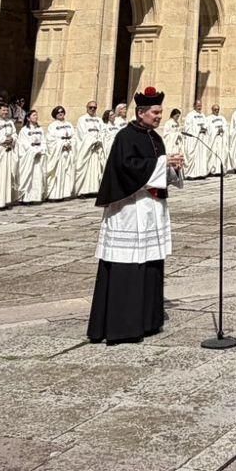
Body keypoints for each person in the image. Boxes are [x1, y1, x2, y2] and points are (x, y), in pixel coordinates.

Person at [86, 88, 184, 345]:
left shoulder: (155, 137)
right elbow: (126, 167)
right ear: (141, 113)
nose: (159, 117)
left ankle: (148, 320)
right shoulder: (125, 137)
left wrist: (172, 167)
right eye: (155, 112)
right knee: (128, 263)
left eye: (160, 112)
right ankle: (123, 326)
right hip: (129, 210)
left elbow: (157, 167)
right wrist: (163, 165)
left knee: (150, 260)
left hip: (151, 209)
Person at [14, 110, 48, 204]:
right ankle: (25, 197)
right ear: (28, 118)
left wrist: (41, 149)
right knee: (28, 175)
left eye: (36, 115)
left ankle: (35, 197)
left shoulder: (40, 129)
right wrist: (33, 151)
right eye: (33, 115)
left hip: (38, 155)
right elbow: (23, 144)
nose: (36, 117)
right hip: (29, 156)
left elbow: (44, 141)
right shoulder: (24, 130)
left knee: (37, 175)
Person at [76, 103, 108, 192]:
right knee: (86, 169)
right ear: (87, 108)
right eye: (91, 107)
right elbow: (82, 133)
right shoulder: (82, 119)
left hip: (97, 148)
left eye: (94, 107)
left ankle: (94, 190)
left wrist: (99, 140)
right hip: (87, 148)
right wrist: (92, 141)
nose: (93, 109)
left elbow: (103, 131)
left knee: (95, 169)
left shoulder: (99, 120)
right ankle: (82, 191)